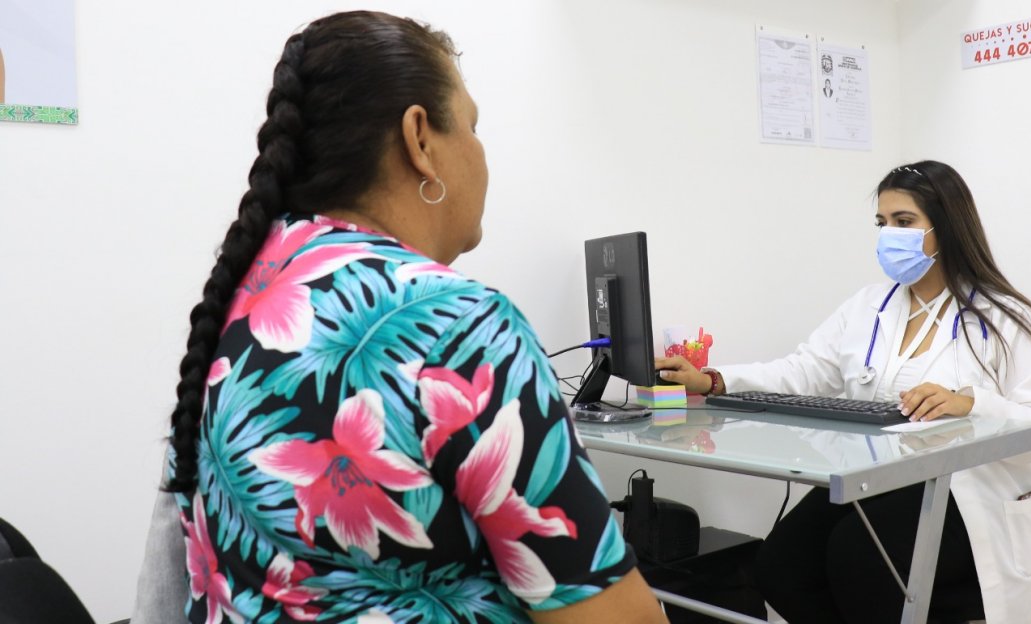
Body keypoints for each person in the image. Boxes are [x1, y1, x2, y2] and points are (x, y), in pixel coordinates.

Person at [132, 11, 666, 624]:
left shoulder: (238, 300)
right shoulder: (457, 327)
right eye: (471, 125)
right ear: (420, 140)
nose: (482, 153)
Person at [656, 160, 1031, 624]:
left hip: (968, 494)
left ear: (946, 227)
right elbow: (805, 369)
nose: (889, 234)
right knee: (780, 566)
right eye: (883, 223)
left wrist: (972, 403)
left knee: (856, 561)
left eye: (904, 222)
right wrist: (713, 380)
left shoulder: (1005, 316)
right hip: (880, 479)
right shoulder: (869, 306)